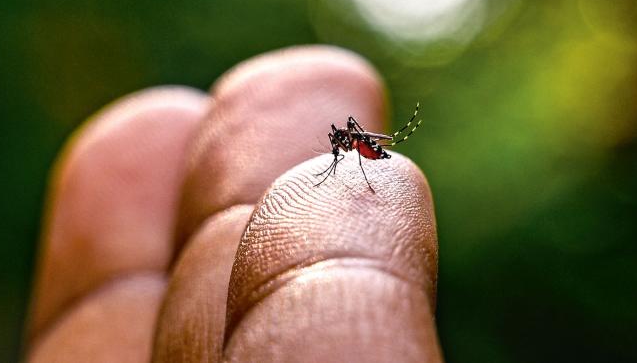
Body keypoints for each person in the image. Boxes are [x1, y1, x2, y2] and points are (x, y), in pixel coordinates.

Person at [25, 45, 442, 362]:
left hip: (369, 158)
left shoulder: (351, 144)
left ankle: (382, 148)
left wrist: (358, 155)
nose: (338, 143)